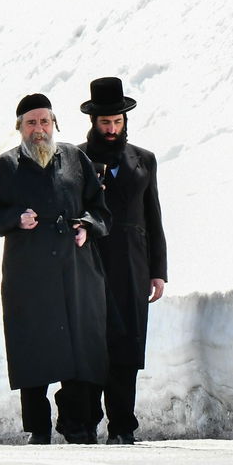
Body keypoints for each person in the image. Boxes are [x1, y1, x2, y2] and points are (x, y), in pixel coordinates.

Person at [0, 95, 109, 443]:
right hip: (29, 274)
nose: (39, 129)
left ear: (54, 124)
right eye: (31, 122)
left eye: (44, 121)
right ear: (19, 126)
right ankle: (38, 427)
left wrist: (87, 226)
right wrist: (15, 218)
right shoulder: (4, 167)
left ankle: (77, 424)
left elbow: (100, 209)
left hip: (75, 269)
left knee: (79, 346)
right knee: (33, 346)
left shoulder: (76, 159)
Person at [80, 76, 168, 444]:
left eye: (117, 122)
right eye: (105, 123)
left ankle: (122, 426)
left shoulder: (144, 160)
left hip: (133, 265)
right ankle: (84, 423)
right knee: (91, 345)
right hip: (91, 263)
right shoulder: (77, 158)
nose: (112, 129)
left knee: (127, 347)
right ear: (94, 122)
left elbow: (153, 217)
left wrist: (158, 271)